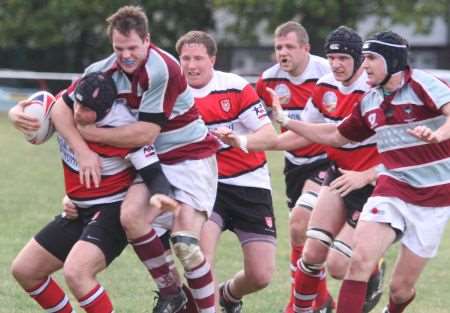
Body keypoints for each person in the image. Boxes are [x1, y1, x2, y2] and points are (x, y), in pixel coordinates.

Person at [50, 6, 219, 313]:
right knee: (131, 217)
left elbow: (144, 133)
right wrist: (82, 149)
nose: (125, 55)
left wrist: (90, 134)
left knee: (186, 244)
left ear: (147, 41)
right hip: (148, 160)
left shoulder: (162, 69)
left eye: (132, 48)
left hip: (189, 156)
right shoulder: (103, 71)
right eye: (118, 48)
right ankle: (171, 294)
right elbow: (61, 108)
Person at [271, 31, 450, 313]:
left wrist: (439, 135)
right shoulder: (370, 100)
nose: (363, 65)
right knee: (359, 262)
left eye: (370, 58)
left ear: (392, 60)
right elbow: (334, 135)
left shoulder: (423, 84)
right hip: (392, 187)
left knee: (400, 290)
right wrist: (287, 122)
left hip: (435, 198)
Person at [9, 72, 186, 313]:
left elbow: (154, 174)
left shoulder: (123, 129)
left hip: (110, 212)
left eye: (88, 109)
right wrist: (15, 114)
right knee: (26, 271)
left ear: (105, 110)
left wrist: (161, 197)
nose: (79, 112)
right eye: (78, 102)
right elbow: (37, 108)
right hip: (77, 210)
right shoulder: (66, 107)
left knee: (77, 272)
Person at [269, 26, 385, 313]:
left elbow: (402, 152)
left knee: (337, 265)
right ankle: (302, 310)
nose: (336, 64)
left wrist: (367, 175)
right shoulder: (325, 85)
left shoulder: (376, 92)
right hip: (338, 175)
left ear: (360, 59)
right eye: (332, 58)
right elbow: (308, 132)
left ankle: (373, 266)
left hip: (373, 184)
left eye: (344, 58)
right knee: (312, 252)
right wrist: (252, 142)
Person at [175, 31, 278, 313]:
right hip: (205, 188)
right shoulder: (173, 95)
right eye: (186, 58)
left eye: (198, 58)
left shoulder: (234, 87)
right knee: (201, 260)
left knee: (261, 275)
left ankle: (228, 296)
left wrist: (239, 141)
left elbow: (269, 135)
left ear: (212, 59)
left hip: (250, 184)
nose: (192, 65)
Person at [255, 21, 331, 312]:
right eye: (278, 47)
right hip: (294, 165)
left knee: (301, 222)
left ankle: (295, 303)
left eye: (289, 47)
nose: (282, 53)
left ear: (305, 49)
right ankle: (321, 298)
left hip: (327, 159)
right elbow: (258, 122)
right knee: (302, 234)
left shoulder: (326, 72)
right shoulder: (267, 82)